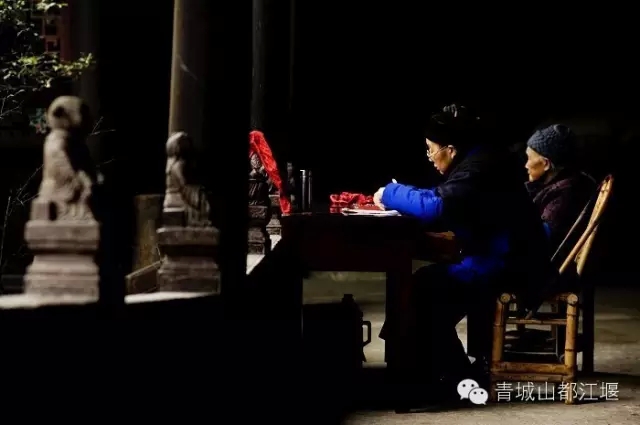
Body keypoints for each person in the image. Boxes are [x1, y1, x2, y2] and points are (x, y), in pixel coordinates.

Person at [373, 104, 551, 409]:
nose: (430, 157)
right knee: (421, 284)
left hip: (509, 265)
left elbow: (435, 206)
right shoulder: (480, 161)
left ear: (451, 149)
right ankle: (422, 371)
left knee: (425, 292)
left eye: (431, 150)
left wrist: (389, 193)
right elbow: (447, 200)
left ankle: (452, 380)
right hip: (501, 258)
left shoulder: (479, 168)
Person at [524, 124, 597, 251]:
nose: (526, 165)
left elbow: (536, 240)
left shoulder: (565, 194)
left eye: (529, 158)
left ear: (546, 164)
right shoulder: (567, 181)